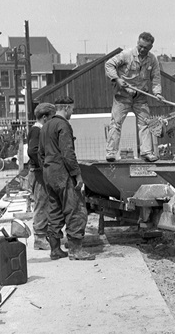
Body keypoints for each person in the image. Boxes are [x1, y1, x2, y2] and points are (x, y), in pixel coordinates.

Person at [39, 96, 95, 261]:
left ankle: (55, 250)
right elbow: (68, 153)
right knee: (75, 209)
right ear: (66, 108)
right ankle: (76, 250)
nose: (73, 111)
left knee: (54, 210)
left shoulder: (45, 126)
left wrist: (48, 168)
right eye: (72, 109)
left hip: (49, 173)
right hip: (62, 173)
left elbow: (40, 153)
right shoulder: (63, 125)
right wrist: (77, 174)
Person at [104, 32, 164, 162]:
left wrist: (157, 92)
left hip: (140, 96)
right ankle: (111, 153)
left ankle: (146, 152)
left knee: (145, 123)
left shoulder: (152, 60)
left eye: (146, 48)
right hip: (122, 95)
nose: (142, 49)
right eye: (140, 46)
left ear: (151, 48)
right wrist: (117, 79)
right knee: (116, 123)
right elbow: (109, 65)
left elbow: (156, 77)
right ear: (138, 42)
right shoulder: (126, 55)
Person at [27, 102, 56, 251]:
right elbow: (32, 151)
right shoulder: (37, 131)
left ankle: (43, 234)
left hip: (39, 171)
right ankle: (39, 237)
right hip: (38, 172)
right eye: (52, 117)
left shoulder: (39, 130)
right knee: (41, 203)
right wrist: (44, 165)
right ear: (45, 117)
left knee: (45, 202)